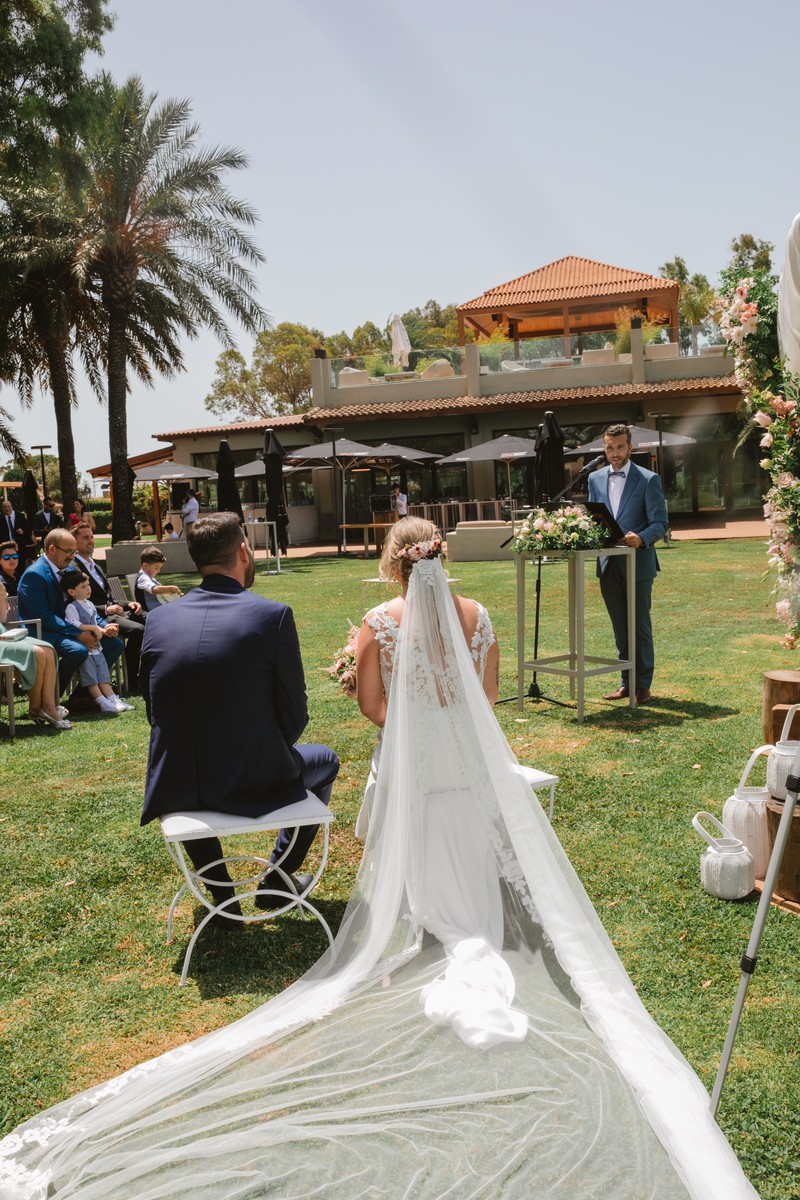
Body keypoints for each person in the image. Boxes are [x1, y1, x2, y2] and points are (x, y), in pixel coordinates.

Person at [0, 521, 758, 1199]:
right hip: (470, 764)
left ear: (395, 566)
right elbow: (487, 696)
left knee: (381, 795)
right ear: (440, 560)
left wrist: (410, 727)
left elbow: (371, 706)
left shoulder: (371, 621)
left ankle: (396, 908)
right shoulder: (477, 615)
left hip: (363, 768)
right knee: (409, 799)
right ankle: (446, 906)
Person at [139, 511, 339, 916]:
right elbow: (294, 717)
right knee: (327, 760)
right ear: (244, 551)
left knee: (188, 766)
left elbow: (154, 708)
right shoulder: (272, 616)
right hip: (253, 778)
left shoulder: (158, 619)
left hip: (177, 779)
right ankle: (277, 880)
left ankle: (222, 896)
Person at [587, 422, 668, 704]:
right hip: (608, 564)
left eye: (620, 447)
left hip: (638, 563)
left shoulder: (648, 479)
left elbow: (660, 523)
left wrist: (642, 538)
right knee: (620, 627)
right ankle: (626, 682)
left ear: (630, 447)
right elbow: (594, 519)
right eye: (610, 447)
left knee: (639, 626)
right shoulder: (594, 479)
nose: (615, 453)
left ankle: (643, 684)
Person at [17, 528, 124, 697]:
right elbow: (43, 616)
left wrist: (104, 626)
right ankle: (49, 698)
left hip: (66, 627)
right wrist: (78, 633)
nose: (72, 556)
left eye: (74, 552)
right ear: (52, 549)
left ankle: (83, 696)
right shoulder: (34, 574)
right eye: (68, 551)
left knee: (114, 644)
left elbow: (83, 605)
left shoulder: (67, 570)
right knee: (78, 650)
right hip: (41, 631)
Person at [73, 521, 145, 686]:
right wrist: (106, 609)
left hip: (115, 612)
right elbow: (79, 601)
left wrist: (129, 603)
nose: (90, 540)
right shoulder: (74, 568)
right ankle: (132, 681)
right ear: (75, 542)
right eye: (85, 538)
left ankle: (148, 672)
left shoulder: (96, 566)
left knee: (152, 619)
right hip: (99, 617)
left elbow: (109, 597)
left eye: (92, 537)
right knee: (138, 630)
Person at [0, 578, 71, 730]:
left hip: (4, 636)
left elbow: (3, 618)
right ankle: (36, 708)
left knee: (47, 649)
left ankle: (48, 706)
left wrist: (2, 596)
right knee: (37, 652)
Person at [62, 569, 134, 715]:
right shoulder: (71, 607)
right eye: (83, 586)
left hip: (96, 646)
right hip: (85, 645)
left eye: (88, 585)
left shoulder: (89, 604)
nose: (88, 588)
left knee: (102, 672)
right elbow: (74, 624)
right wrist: (93, 628)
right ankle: (101, 701)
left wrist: (106, 630)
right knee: (90, 675)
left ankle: (112, 699)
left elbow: (95, 622)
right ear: (71, 592)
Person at [135, 546, 183, 611]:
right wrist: (171, 588)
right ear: (145, 565)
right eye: (156, 568)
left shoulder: (149, 578)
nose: (158, 571)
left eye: (159, 568)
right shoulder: (143, 578)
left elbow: (161, 594)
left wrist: (174, 595)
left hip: (158, 610)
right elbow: (154, 589)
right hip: (149, 613)